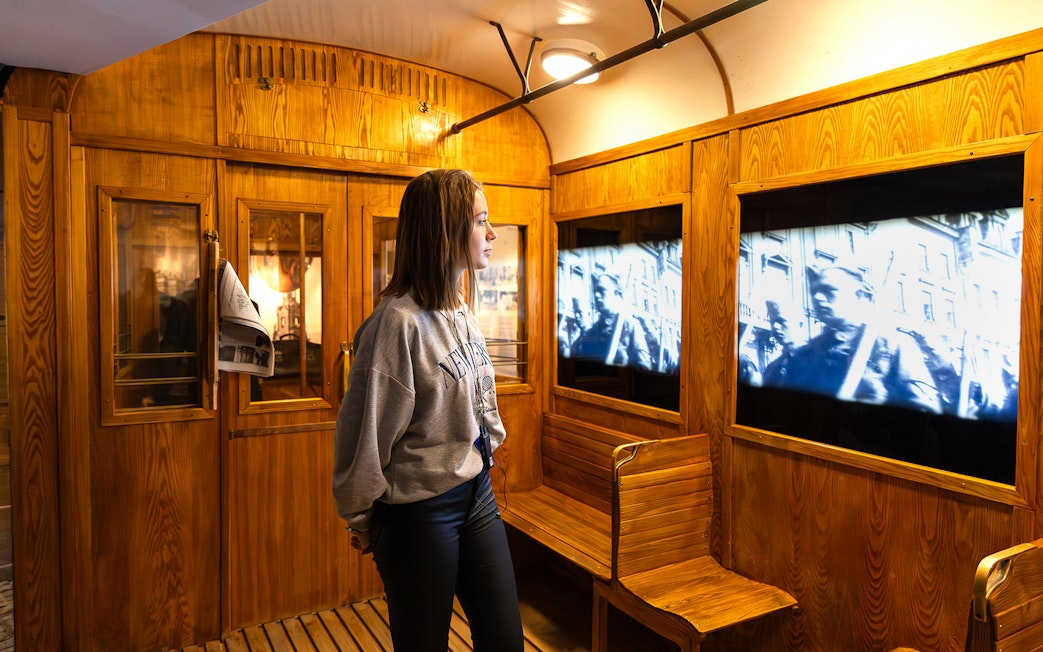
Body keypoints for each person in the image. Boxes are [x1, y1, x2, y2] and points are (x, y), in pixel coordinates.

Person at [332, 169, 524, 652]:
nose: (492, 232)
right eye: (481, 220)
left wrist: (487, 450)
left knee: (505, 642)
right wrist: (362, 520)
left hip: (477, 494)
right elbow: (364, 437)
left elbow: (479, 400)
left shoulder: (459, 307)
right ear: (446, 231)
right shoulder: (395, 326)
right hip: (419, 512)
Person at [764, 264, 941, 413]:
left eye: (829, 290)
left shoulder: (894, 345)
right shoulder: (807, 354)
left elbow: (925, 412)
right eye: (814, 292)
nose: (817, 298)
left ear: (858, 295)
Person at [570, 272, 654, 370]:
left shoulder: (630, 326)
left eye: (602, 290)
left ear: (615, 294)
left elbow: (644, 368)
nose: (597, 295)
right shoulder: (592, 332)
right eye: (595, 291)